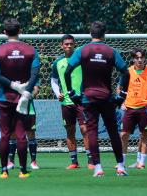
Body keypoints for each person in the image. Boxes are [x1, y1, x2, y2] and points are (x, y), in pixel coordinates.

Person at [64, 21, 128, 177]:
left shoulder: (82, 51)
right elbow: (126, 73)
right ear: (104, 34)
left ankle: (98, 168)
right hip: (106, 97)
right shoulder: (111, 51)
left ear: (90, 33)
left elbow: (67, 72)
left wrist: (72, 93)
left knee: (92, 131)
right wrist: (122, 96)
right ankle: (120, 166)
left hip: (88, 98)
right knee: (113, 130)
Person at [0, 18, 40, 179]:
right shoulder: (31, 50)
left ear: (4, 32)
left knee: (5, 134)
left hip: (4, 98)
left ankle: (4, 171)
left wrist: (13, 85)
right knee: (21, 134)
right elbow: (34, 76)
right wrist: (25, 91)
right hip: (23, 99)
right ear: (20, 31)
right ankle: (23, 170)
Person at [118, 49, 147, 169]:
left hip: (145, 108)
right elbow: (120, 88)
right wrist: (122, 102)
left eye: (141, 57)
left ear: (144, 58)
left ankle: (142, 162)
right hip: (129, 108)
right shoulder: (128, 72)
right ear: (133, 59)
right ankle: (122, 162)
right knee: (123, 135)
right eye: (137, 57)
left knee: (144, 135)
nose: (139, 59)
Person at [50, 34, 89, 170]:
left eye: (71, 44)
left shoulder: (81, 60)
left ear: (74, 45)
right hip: (66, 102)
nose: (68, 46)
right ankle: (74, 162)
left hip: (81, 101)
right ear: (62, 45)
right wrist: (57, 93)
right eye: (66, 44)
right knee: (70, 131)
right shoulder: (57, 63)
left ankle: (91, 161)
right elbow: (54, 81)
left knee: (85, 129)